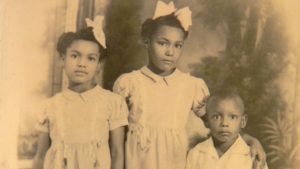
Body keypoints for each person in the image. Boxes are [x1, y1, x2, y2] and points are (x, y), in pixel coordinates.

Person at [113, 1, 265, 169]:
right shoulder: (129, 84)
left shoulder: (191, 85)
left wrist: (252, 141)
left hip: (175, 162)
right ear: (147, 41)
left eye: (177, 45)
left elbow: (218, 123)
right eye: (162, 43)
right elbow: (116, 146)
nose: (170, 52)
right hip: (138, 162)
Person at [32, 16, 128, 169]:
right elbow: (40, 156)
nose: (81, 64)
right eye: (75, 56)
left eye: (90, 58)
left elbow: (117, 153)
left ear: (98, 66)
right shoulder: (50, 106)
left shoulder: (112, 103)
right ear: (62, 60)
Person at [186, 89, 268, 169]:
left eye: (232, 117)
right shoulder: (196, 153)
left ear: (243, 121)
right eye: (216, 117)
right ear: (207, 121)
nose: (224, 123)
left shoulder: (252, 156)